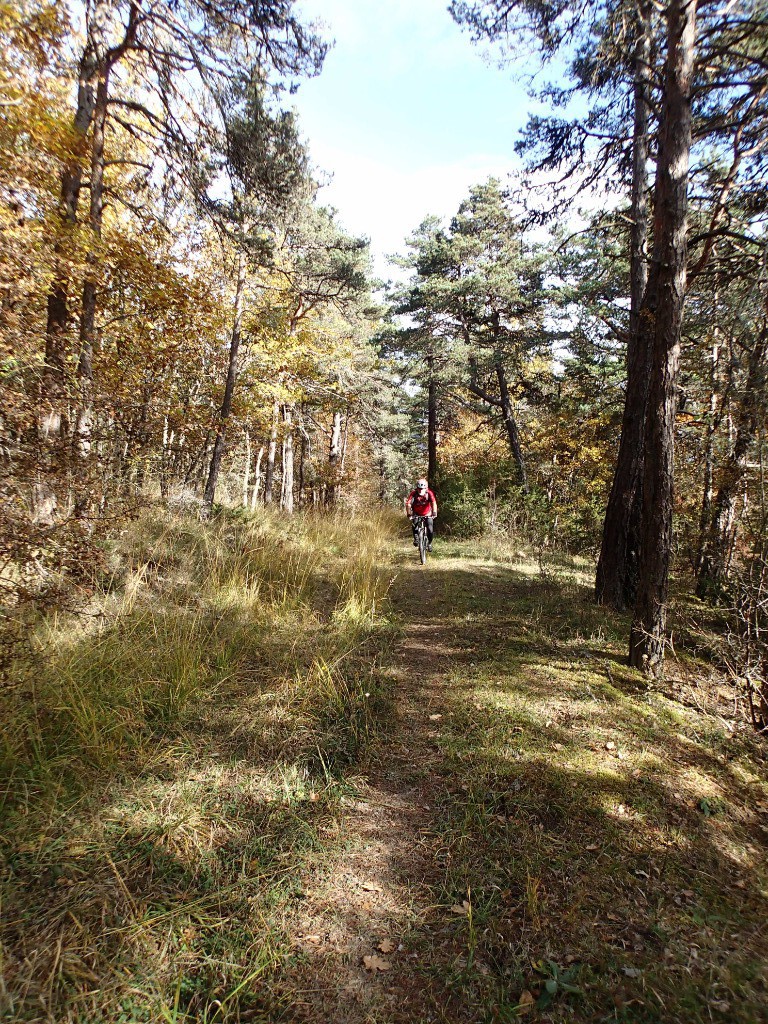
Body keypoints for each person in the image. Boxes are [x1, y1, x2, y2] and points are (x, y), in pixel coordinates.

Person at [405, 478, 438, 551]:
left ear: (426, 488)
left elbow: (433, 503)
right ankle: (416, 538)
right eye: (419, 489)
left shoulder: (429, 493)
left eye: (422, 489)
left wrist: (434, 512)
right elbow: (408, 504)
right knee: (415, 525)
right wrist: (409, 514)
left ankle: (429, 543)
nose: (420, 490)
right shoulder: (413, 493)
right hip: (416, 513)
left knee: (430, 529)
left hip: (427, 513)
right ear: (417, 488)